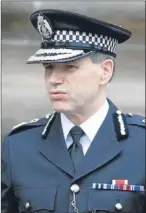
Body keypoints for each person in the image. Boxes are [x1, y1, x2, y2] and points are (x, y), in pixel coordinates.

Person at [2, 9, 145, 213]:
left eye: (69, 67)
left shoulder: (141, 144)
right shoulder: (18, 147)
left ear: (105, 71)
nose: (54, 79)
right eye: (49, 67)